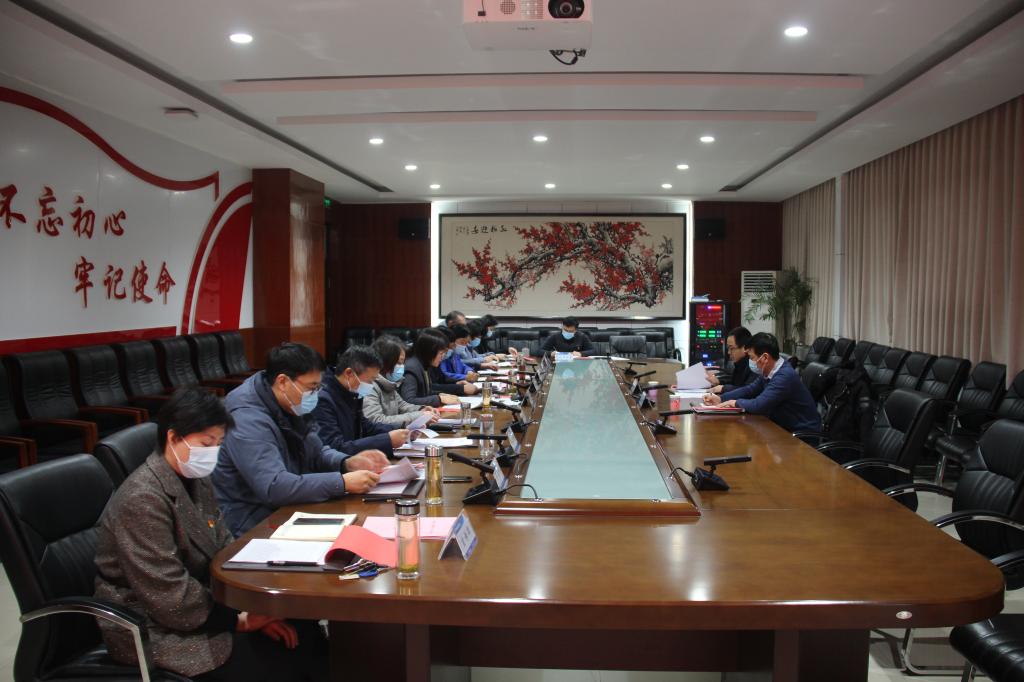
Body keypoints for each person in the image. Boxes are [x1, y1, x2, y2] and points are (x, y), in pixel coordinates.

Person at [94, 387, 328, 681]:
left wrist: (253, 609)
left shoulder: (195, 477)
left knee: (302, 631)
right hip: (151, 626)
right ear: (173, 437)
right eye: (206, 443)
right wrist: (240, 621)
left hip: (201, 605)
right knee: (277, 662)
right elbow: (168, 595)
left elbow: (223, 544)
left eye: (218, 443)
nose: (212, 452)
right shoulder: (142, 499)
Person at [214, 342, 385, 536]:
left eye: (318, 387)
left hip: (289, 509)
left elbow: (317, 451)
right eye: (312, 387)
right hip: (253, 522)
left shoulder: (289, 401)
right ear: (283, 382)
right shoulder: (247, 419)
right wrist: (342, 482)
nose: (316, 394)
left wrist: (346, 462)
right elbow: (274, 486)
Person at [703, 332, 821, 433]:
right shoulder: (769, 371)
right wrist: (721, 399)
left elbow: (759, 405)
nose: (750, 362)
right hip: (780, 428)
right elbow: (750, 389)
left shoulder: (784, 376)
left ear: (765, 358)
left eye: (752, 358)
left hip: (800, 436)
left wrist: (734, 403)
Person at [313, 345, 411, 456]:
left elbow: (366, 427)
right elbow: (336, 447)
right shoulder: (323, 400)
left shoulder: (352, 393)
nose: (371, 385)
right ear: (349, 373)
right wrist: (387, 440)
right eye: (370, 381)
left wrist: (402, 430)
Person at [364, 335, 440, 427]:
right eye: (399, 363)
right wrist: (418, 416)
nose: (402, 367)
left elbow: (402, 406)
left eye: (403, 363)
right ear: (386, 362)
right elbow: (376, 420)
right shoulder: (369, 387)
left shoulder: (389, 383)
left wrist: (421, 409)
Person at [401, 329, 477, 406]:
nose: (443, 356)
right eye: (441, 353)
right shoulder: (412, 368)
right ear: (430, 351)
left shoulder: (424, 364)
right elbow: (409, 400)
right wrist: (440, 399)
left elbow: (426, 391)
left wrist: (442, 395)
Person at [707, 326, 758, 394]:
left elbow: (748, 390)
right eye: (728, 348)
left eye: (732, 348)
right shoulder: (740, 364)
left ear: (744, 348)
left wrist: (723, 388)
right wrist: (719, 381)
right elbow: (735, 383)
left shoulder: (754, 365)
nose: (729, 352)